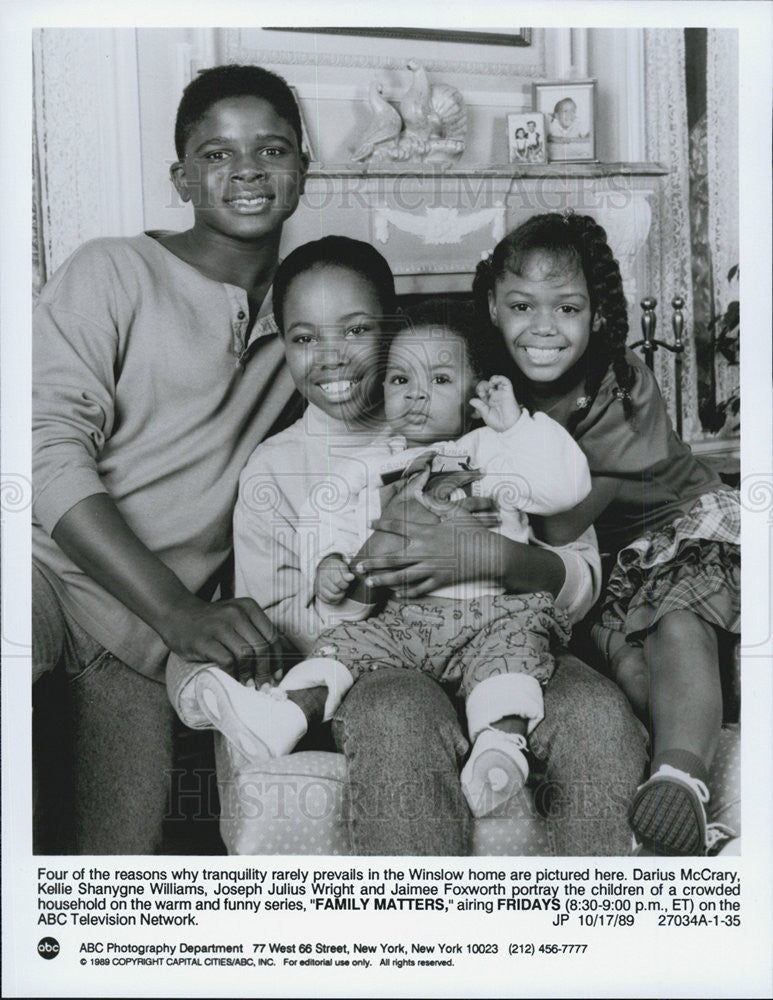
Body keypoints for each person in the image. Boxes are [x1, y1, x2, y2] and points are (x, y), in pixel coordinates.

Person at [168, 235, 649, 856]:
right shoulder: (280, 469)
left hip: (512, 637)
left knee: (597, 715)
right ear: (281, 344)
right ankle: (418, 937)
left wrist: (488, 558)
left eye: (358, 331)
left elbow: (580, 573)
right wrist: (376, 559)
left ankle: (599, 937)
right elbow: (289, 627)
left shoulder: (492, 431)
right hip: (383, 662)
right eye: (305, 338)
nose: (334, 358)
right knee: (398, 717)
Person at [32, 63, 309, 854]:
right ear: (181, 176)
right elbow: (44, 454)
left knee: (118, 870)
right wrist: (181, 612)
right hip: (46, 575)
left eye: (272, 148)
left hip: (142, 645)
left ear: (302, 168)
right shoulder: (111, 268)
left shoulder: (310, 314)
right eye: (217, 154)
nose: (248, 169)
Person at [472, 211, 740, 856]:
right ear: (492, 307)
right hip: (612, 564)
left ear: (596, 316)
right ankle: (679, 825)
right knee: (625, 662)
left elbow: (561, 518)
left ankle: (682, 777)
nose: (541, 328)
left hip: (681, 529)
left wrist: (504, 448)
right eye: (520, 305)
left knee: (676, 621)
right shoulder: (491, 383)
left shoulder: (618, 383)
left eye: (565, 306)